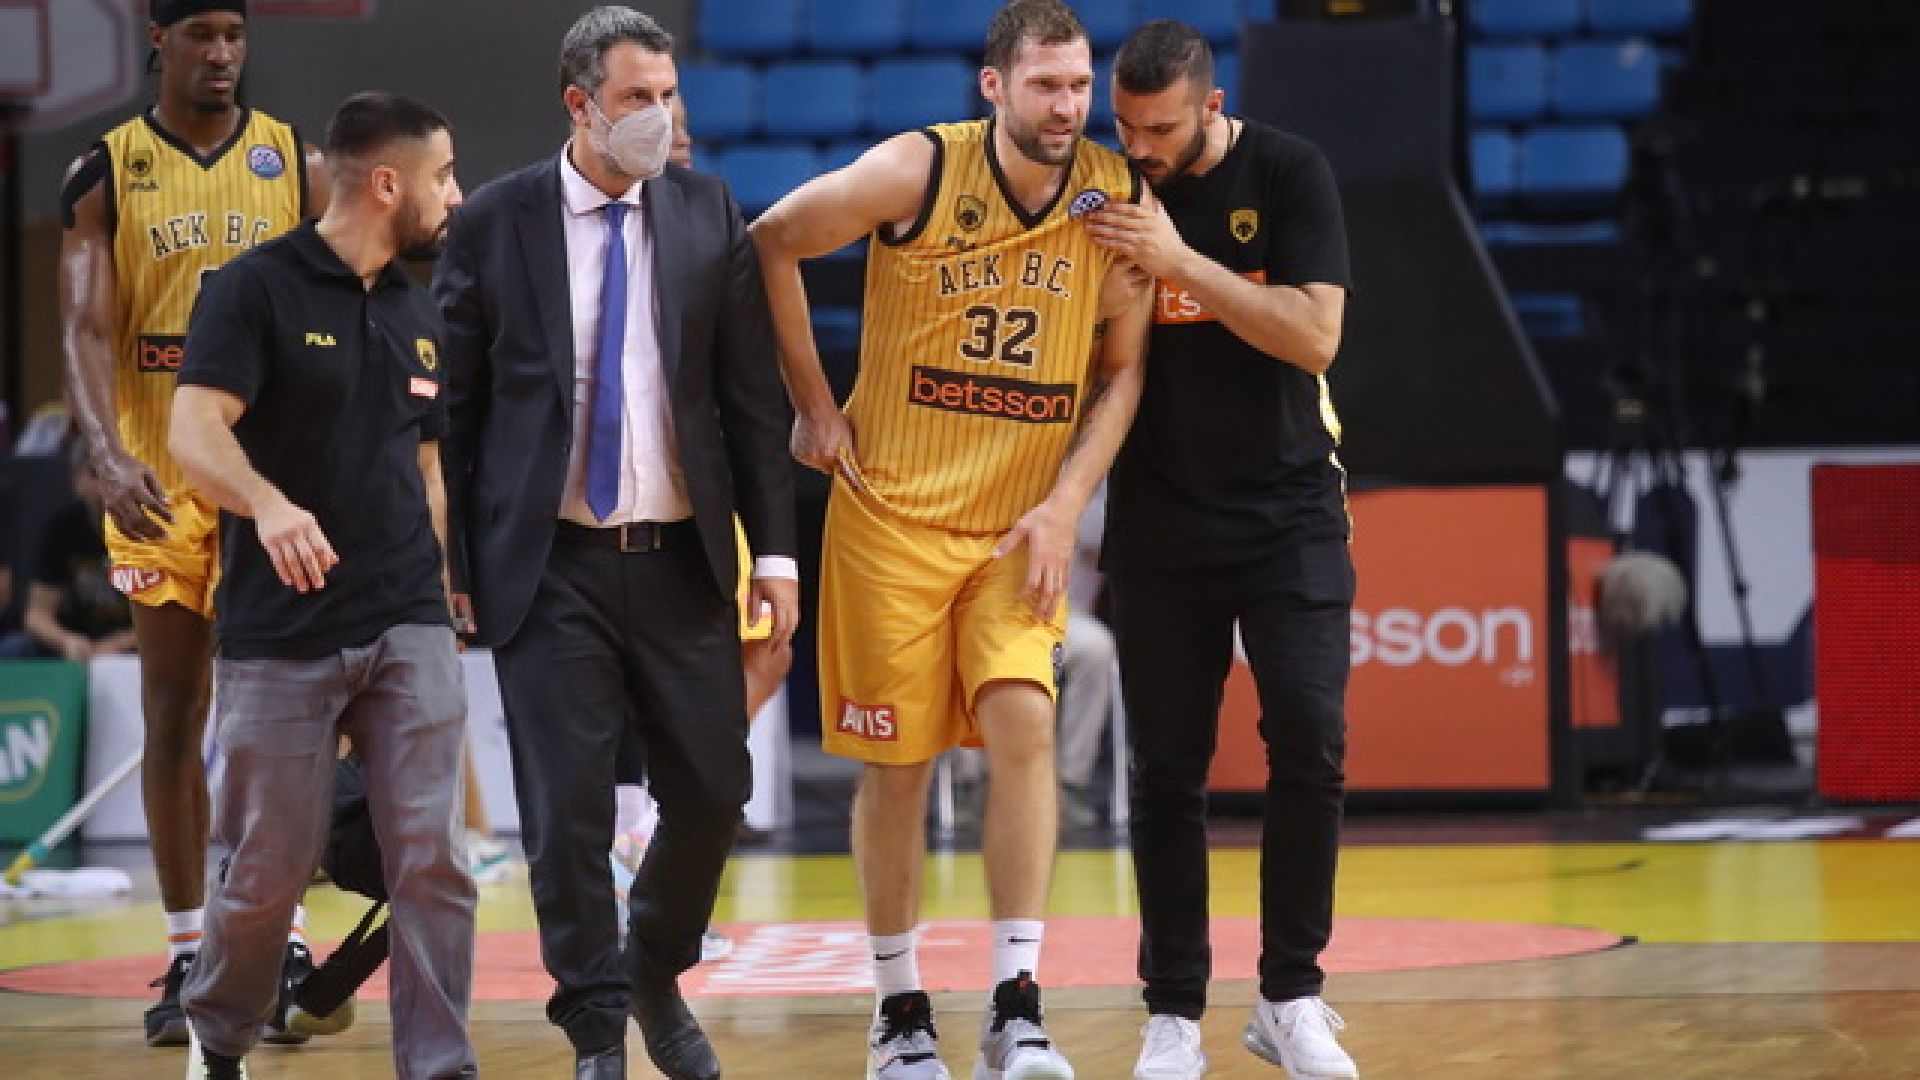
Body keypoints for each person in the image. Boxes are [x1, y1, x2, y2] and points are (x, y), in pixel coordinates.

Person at [750, 2, 1153, 1076]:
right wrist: (813, 403)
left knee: (1025, 723)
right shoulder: (918, 171)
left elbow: (1124, 374)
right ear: (994, 87)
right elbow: (772, 239)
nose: (1065, 106)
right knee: (899, 769)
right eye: (1045, 85)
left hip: (1016, 530)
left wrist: (1066, 504)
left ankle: (1018, 1005)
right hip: (890, 522)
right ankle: (899, 1011)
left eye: (1079, 85)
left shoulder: (1116, 194)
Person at [432, 8, 798, 1078]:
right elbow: (457, 412)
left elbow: (752, 403)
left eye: (669, 95)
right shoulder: (494, 221)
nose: (660, 116)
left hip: (682, 557)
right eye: (638, 97)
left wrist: (776, 555)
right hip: (550, 565)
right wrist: (457, 565)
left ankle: (651, 970)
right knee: (567, 816)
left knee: (714, 790)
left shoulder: (706, 209)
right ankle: (597, 1029)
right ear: (579, 104)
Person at [167, 90, 473, 1080]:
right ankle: (221, 1040)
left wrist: (443, 589)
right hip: (279, 632)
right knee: (265, 870)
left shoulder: (419, 311)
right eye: (441, 176)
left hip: (408, 621)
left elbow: (426, 470)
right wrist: (267, 505)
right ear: (386, 183)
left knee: (434, 858)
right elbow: (193, 429)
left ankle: (440, 1064)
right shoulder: (253, 289)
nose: (455, 196)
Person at [1086, 21, 1358, 1080]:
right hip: (1160, 518)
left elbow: (1315, 335)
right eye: (1125, 125)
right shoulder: (1104, 189)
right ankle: (1172, 1012)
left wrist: (1182, 263)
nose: (1139, 148)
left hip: (1290, 510)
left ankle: (1290, 995)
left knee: (1311, 738)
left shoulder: (1289, 172)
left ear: (1212, 104)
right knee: (1166, 770)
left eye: (1159, 128)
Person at [56, 0, 330, 1045]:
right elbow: (85, 327)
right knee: (175, 710)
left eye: (234, 34)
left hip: (267, 483)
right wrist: (105, 449)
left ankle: (283, 942)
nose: (221, 53)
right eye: (201, 33)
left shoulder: (293, 164)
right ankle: (185, 952)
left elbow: (334, 315)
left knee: (277, 722)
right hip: (158, 480)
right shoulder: (104, 170)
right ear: (157, 39)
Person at [17, 440, 138, 661]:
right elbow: (36, 615)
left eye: (114, 473)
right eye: (94, 474)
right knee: (16, 648)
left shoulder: (147, 525)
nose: (105, 484)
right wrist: (65, 640)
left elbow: (173, 620)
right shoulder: (62, 526)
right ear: (76, 480)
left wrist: (121, 643)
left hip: (139, 644)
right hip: (80, 643)